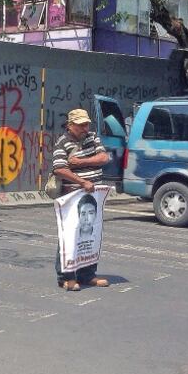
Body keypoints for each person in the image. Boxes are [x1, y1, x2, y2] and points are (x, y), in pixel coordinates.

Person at [52, 108, 110, 291]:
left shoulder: (92, 137)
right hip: (73, 195)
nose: (85, 128)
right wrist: (82, 181)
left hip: (93, 194)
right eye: (81, 125)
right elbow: (59, 168)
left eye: (86, 124)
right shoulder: (62, 142)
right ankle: (65, 277)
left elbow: (104, 157)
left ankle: (87, 274)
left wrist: (82, 163)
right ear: (70, 125)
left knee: (90, 234)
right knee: (70, 235)